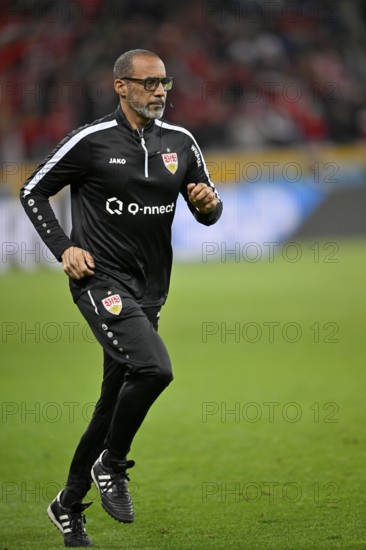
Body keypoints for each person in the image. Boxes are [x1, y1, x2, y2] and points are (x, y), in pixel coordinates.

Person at [20, 49, 222, 547]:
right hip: (100, 282)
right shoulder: (91, 141)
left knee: (110, 406)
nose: (159, 92)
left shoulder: (180, 141)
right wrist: (64, 247)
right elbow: (31, 191)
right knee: (155, 369)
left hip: (152, 288)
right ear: (121, 87)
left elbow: (208, 209)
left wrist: (209, 205)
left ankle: (66, 504)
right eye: (148, 83)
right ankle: (111, 465)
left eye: (164, 83)